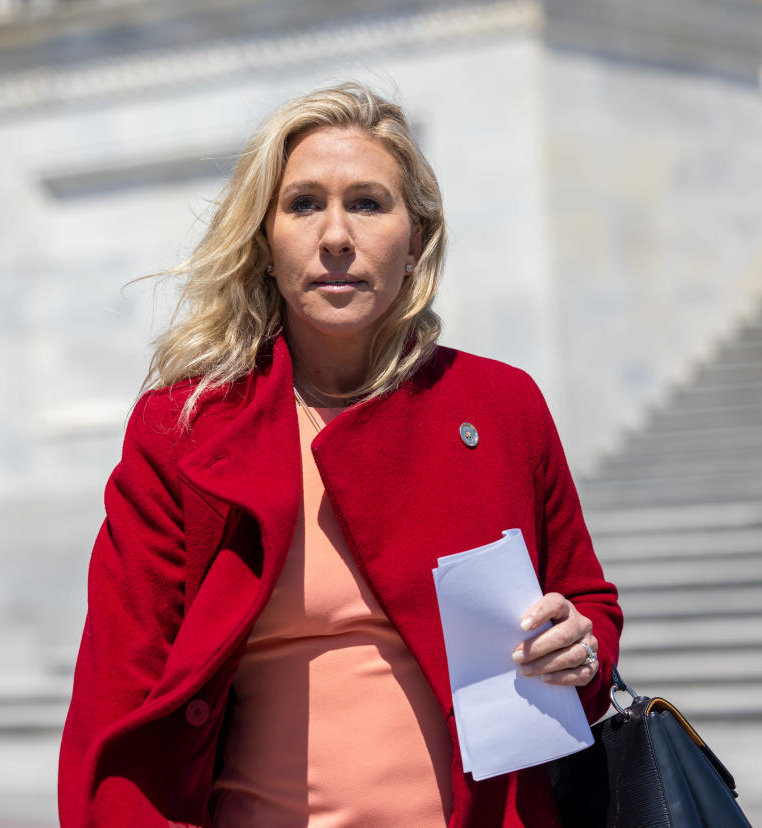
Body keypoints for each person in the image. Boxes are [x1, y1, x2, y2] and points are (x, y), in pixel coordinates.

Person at [59, 82, 622, 827]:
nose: (334, 235)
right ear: (263, 238)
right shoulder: (183, 427)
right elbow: (117, 690)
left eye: (366, 203)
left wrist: (576, 650)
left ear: (414, 236)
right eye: (301, 205)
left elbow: (585, 606)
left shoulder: (500, 406)